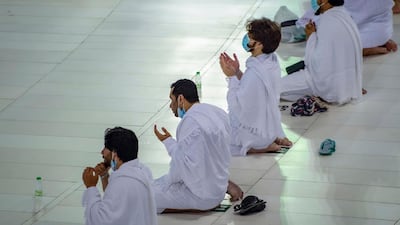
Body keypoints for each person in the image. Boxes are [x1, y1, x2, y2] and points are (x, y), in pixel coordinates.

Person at [153, 79, 243, 213]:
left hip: (202, 197)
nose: (171, 106)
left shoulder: (189, 122)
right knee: (152, 186)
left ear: (181, 99)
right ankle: (223, 185)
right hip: (217, 185)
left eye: (172, 101)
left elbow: (180, 168)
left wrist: (168, 143)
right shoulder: (217, 112)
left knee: (145, 197)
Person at [219, 17, 292, 156]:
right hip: (269, 130)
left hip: (255, 135)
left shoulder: (255, 72)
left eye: (250, 37)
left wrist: (231, 77)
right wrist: (237, 71)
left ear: (259, 44)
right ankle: (271, 140)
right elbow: (253, 89)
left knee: (217, 136)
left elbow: (237, 106)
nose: (247, 39)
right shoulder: (270, 61)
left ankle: (259, 148)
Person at [280, 0, 363, 105]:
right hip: (347, 83)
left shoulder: (327, 20)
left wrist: (310, 36)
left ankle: (320, 94)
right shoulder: (345, 15)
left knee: (276, 88)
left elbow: (317, 63)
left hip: (326, 84)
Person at [82, 127, 158, 225]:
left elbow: (100, 220)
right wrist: (105, 175)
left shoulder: (122, 183)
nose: (102, 152)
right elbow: (116, 202)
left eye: (105, 148)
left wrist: (91, 187)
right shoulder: (141, 171)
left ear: (114, 153)